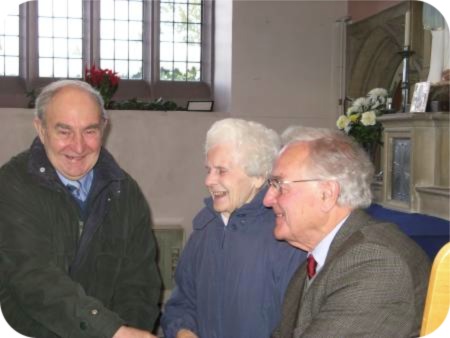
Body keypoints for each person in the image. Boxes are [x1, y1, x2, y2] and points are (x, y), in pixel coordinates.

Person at [0, 80, 161, 338]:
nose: (78, 146)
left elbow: (139, 281)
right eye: (64, 131)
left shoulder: (124, 191)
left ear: (104, 128)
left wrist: (133, 329)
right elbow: (33, 278)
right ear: (41, 130)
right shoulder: (12, 184)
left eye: (89, 131)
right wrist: (112, 331)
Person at [264, 126, 431, 337]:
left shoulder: (375, 261)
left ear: (326, 194)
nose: (267, 200)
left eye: (279, 184)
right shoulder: (322, 256)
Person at [161, 118, 306, 338]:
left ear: (258, 177)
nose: (208, 180)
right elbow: (181, 303)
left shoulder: (285, 237)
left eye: (221, 171)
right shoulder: (205, 229)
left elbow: (300, 324)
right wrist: (183, 332)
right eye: (208, 170)